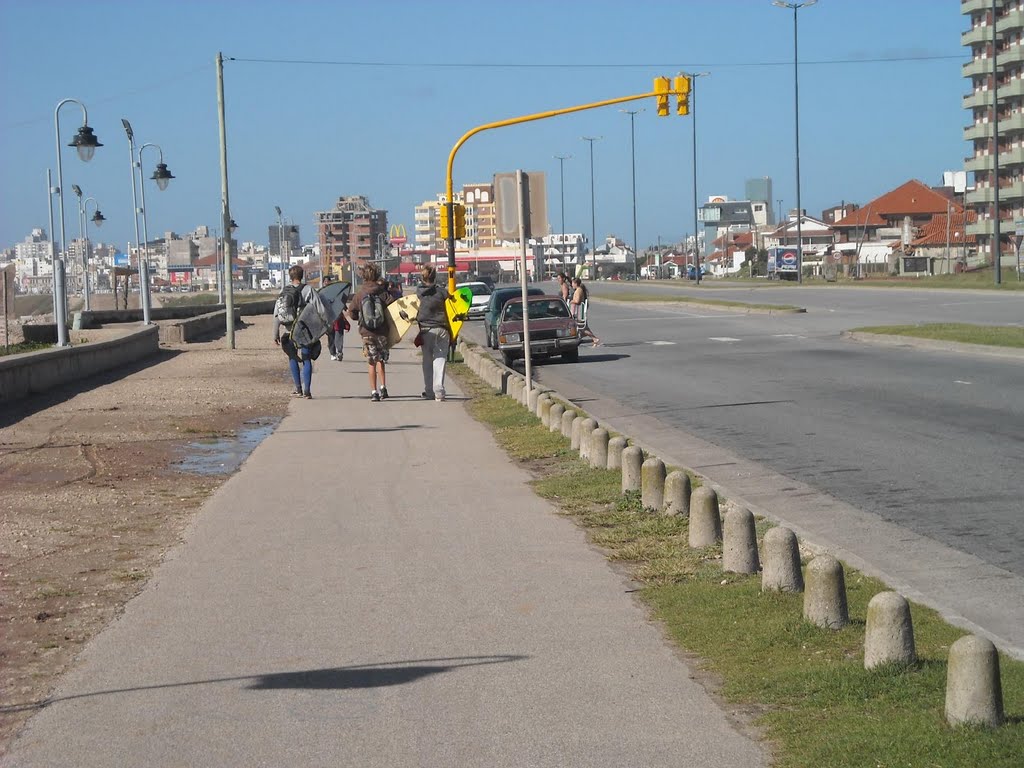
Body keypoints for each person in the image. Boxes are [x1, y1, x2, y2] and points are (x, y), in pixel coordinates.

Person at [347, 262, 392, 402]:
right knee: (381, 360)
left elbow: (352, 312)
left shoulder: (360, 294)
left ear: (363, 277)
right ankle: (383, 387)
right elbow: (393, 305)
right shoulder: (382, 292)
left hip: (366, 332)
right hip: (382, 332)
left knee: (371, 362)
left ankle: (374, 392)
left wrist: (359, 317)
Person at [273, 264, 317, 398]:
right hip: (305, 330)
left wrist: (275, 333)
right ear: (302, 276)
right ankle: (307, 391)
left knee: (292, 357)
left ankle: (298, 388)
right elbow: (319, 308)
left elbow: (277, 314)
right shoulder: (308, 289)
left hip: (288, 330)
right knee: (306, 358)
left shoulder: (284, 291)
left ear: (290, 277)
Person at [415, 264, 450, 401]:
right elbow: (453, 304)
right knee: (440, 359)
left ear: (422, 278)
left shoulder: (418, 293)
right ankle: (439, 390)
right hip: (442, 329)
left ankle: (429, 391)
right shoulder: (442, 292)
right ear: (435, 277)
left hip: (425, 330)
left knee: (427, 361)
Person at [570, 277, 600, 347]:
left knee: (582, 328)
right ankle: (581, 338)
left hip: (579, 312)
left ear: (576, 283)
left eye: (572, 283)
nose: (572, 285)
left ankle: (595, 338)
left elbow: (577, 301)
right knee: (583, 328)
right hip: (579, 311)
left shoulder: (578, 290)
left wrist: (571, 301)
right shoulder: (578, 290)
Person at [328, 292, 349, 361]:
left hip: (338, 320)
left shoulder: (339, 296)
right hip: (330, 320)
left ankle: (339, 352)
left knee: (339, 336)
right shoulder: (326, 296)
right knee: (331, 337)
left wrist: (346, 309)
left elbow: (344, 305)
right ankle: (333, 353)